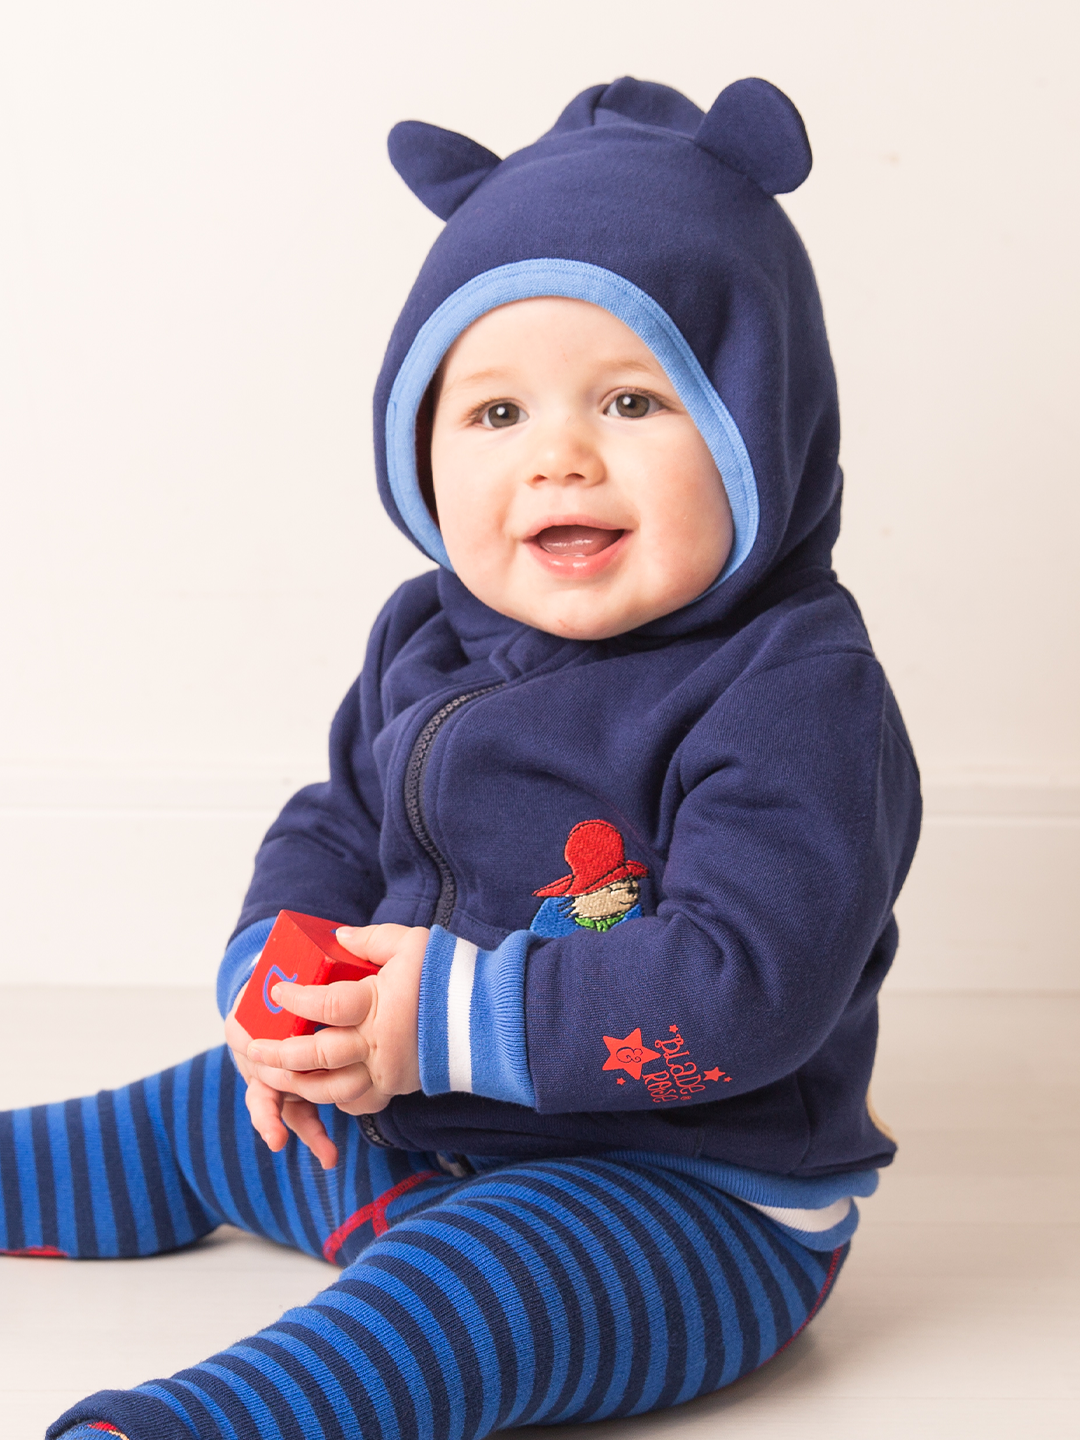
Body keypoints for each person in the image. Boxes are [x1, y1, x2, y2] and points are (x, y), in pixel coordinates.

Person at [4, 75, 921, 1440]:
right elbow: (338, 818)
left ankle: (208, 1424)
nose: (560, 458)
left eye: (633, 401)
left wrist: (448, 1018)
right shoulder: (427, 636)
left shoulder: (794, 692)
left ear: (759, 428)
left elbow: (749, 986)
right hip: (411, 1121)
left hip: (677, 1199)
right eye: (497, 415)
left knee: (453, 1299)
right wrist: (278, 979)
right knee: (201, 1114)